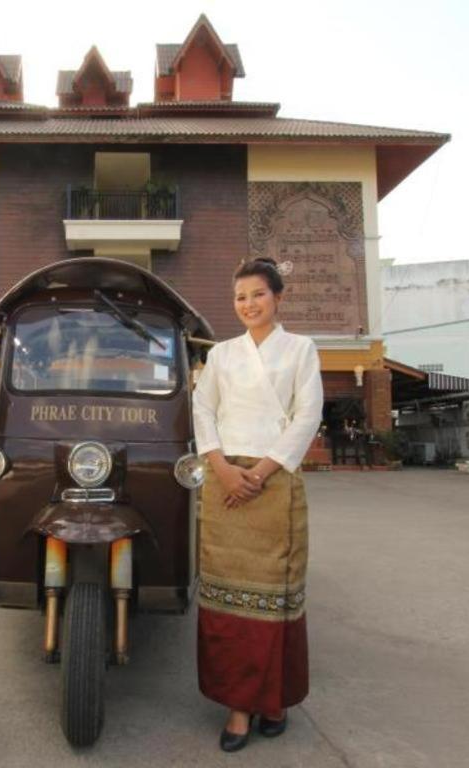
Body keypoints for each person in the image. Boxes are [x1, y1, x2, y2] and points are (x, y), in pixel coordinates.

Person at [192, 257, 323, 753]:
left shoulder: (302, 349)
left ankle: (274, 698)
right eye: (240, 296)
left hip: (275, 482)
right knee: (229, 597)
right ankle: (238, 705)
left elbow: (308, 414)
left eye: (258, 294)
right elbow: (202, 408)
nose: (248, 304)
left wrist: (262, 472)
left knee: (275, 599)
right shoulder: (222, 354)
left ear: (278, 298)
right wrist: (222, 468)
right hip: (224, 480)